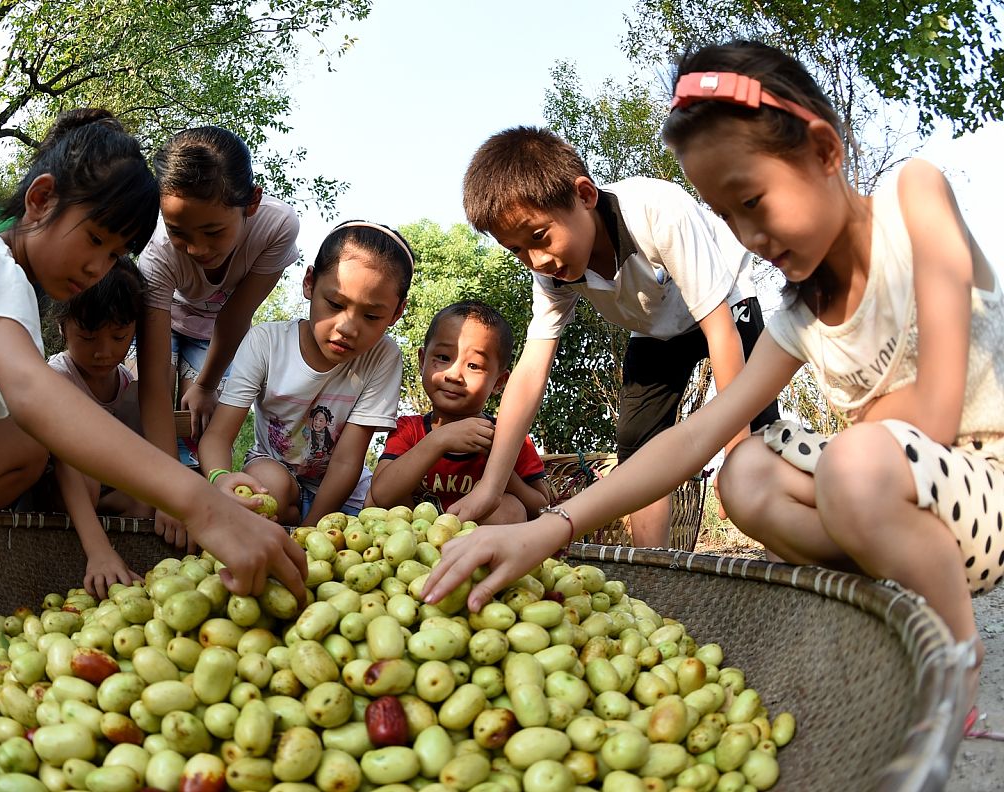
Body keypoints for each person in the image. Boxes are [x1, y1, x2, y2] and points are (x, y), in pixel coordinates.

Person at [424, 41, 1000, 723]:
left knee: (848, 460)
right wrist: (551, 529)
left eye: (752, 200)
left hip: (984, 482)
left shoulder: (915, 195)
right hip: (892, 493)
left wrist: (855, 456)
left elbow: (930, 417)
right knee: (747, 472)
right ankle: (872, 599)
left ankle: (956, 661)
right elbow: (695, 437)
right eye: (728, 217)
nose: (749, 236)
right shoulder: (798, 313)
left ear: (824, 150)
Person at [0, 108, 305, 601]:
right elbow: (32, 394)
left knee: (39, 444)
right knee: (39, 436)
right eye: (94, 239)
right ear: (41, 200)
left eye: (114, 254)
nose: (97, 267)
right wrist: (200, 502)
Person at [450, 126, 779, 546]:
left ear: (585, 196)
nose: (537, 260)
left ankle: (782, 557)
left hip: (725, 306)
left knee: (759, 439)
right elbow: (532, 369)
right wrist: (490, 488)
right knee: (637, 443)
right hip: (658, 327)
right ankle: (651, 572)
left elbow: (720, 332)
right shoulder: (550, 272)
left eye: (539, 238)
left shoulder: (658, 213)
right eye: (517, 250)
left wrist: (737, 457)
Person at [197, 220, 413, 527]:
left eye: (371, 315)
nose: (348, 328)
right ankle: (288, 513)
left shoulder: (383, 357)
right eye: (335, 304)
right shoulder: (266, 343)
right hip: (272, 472)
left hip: (344, 490)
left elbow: (346, 461)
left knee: (393, 513)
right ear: (309, 282)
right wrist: (219, 478)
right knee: (264, 487)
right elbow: (217, 436)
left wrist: (312, 531)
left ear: (396, 313)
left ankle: (298, 519)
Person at [136, 126, 301, 472]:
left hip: (215, 329)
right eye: (178, 232)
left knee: (199, 414)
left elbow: (236, 315)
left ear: (251, 203)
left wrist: (207, 385)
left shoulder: (277, 227)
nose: (197, 249)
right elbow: (151, 382)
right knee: (146, 397)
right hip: (164, 319)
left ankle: (193, 475)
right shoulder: (157, 257)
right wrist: (169, 485)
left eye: (213, 232)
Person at [367, 300, 551, 522]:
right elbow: (381, 495)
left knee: (512, 508)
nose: (454, 374)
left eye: (473, 366)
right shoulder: (410, 430)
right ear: (422, 360)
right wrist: (439, 440)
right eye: (443, 358)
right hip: (414, 543)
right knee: (374, 502)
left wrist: (502, 475)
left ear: (499, 382)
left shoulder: (508, 438)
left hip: (475, 544)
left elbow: (542, 506)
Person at [45, 257, 152, 597]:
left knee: (144, 502)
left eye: (119, 336)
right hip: (60, 488)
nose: (104, 352)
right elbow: (65, 462)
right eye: (89, 337)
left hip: (104, 494)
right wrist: (99, 550)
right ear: (63, 327)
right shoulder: (56, 377)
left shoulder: (128, 386)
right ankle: (97, 544)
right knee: (86, 474)